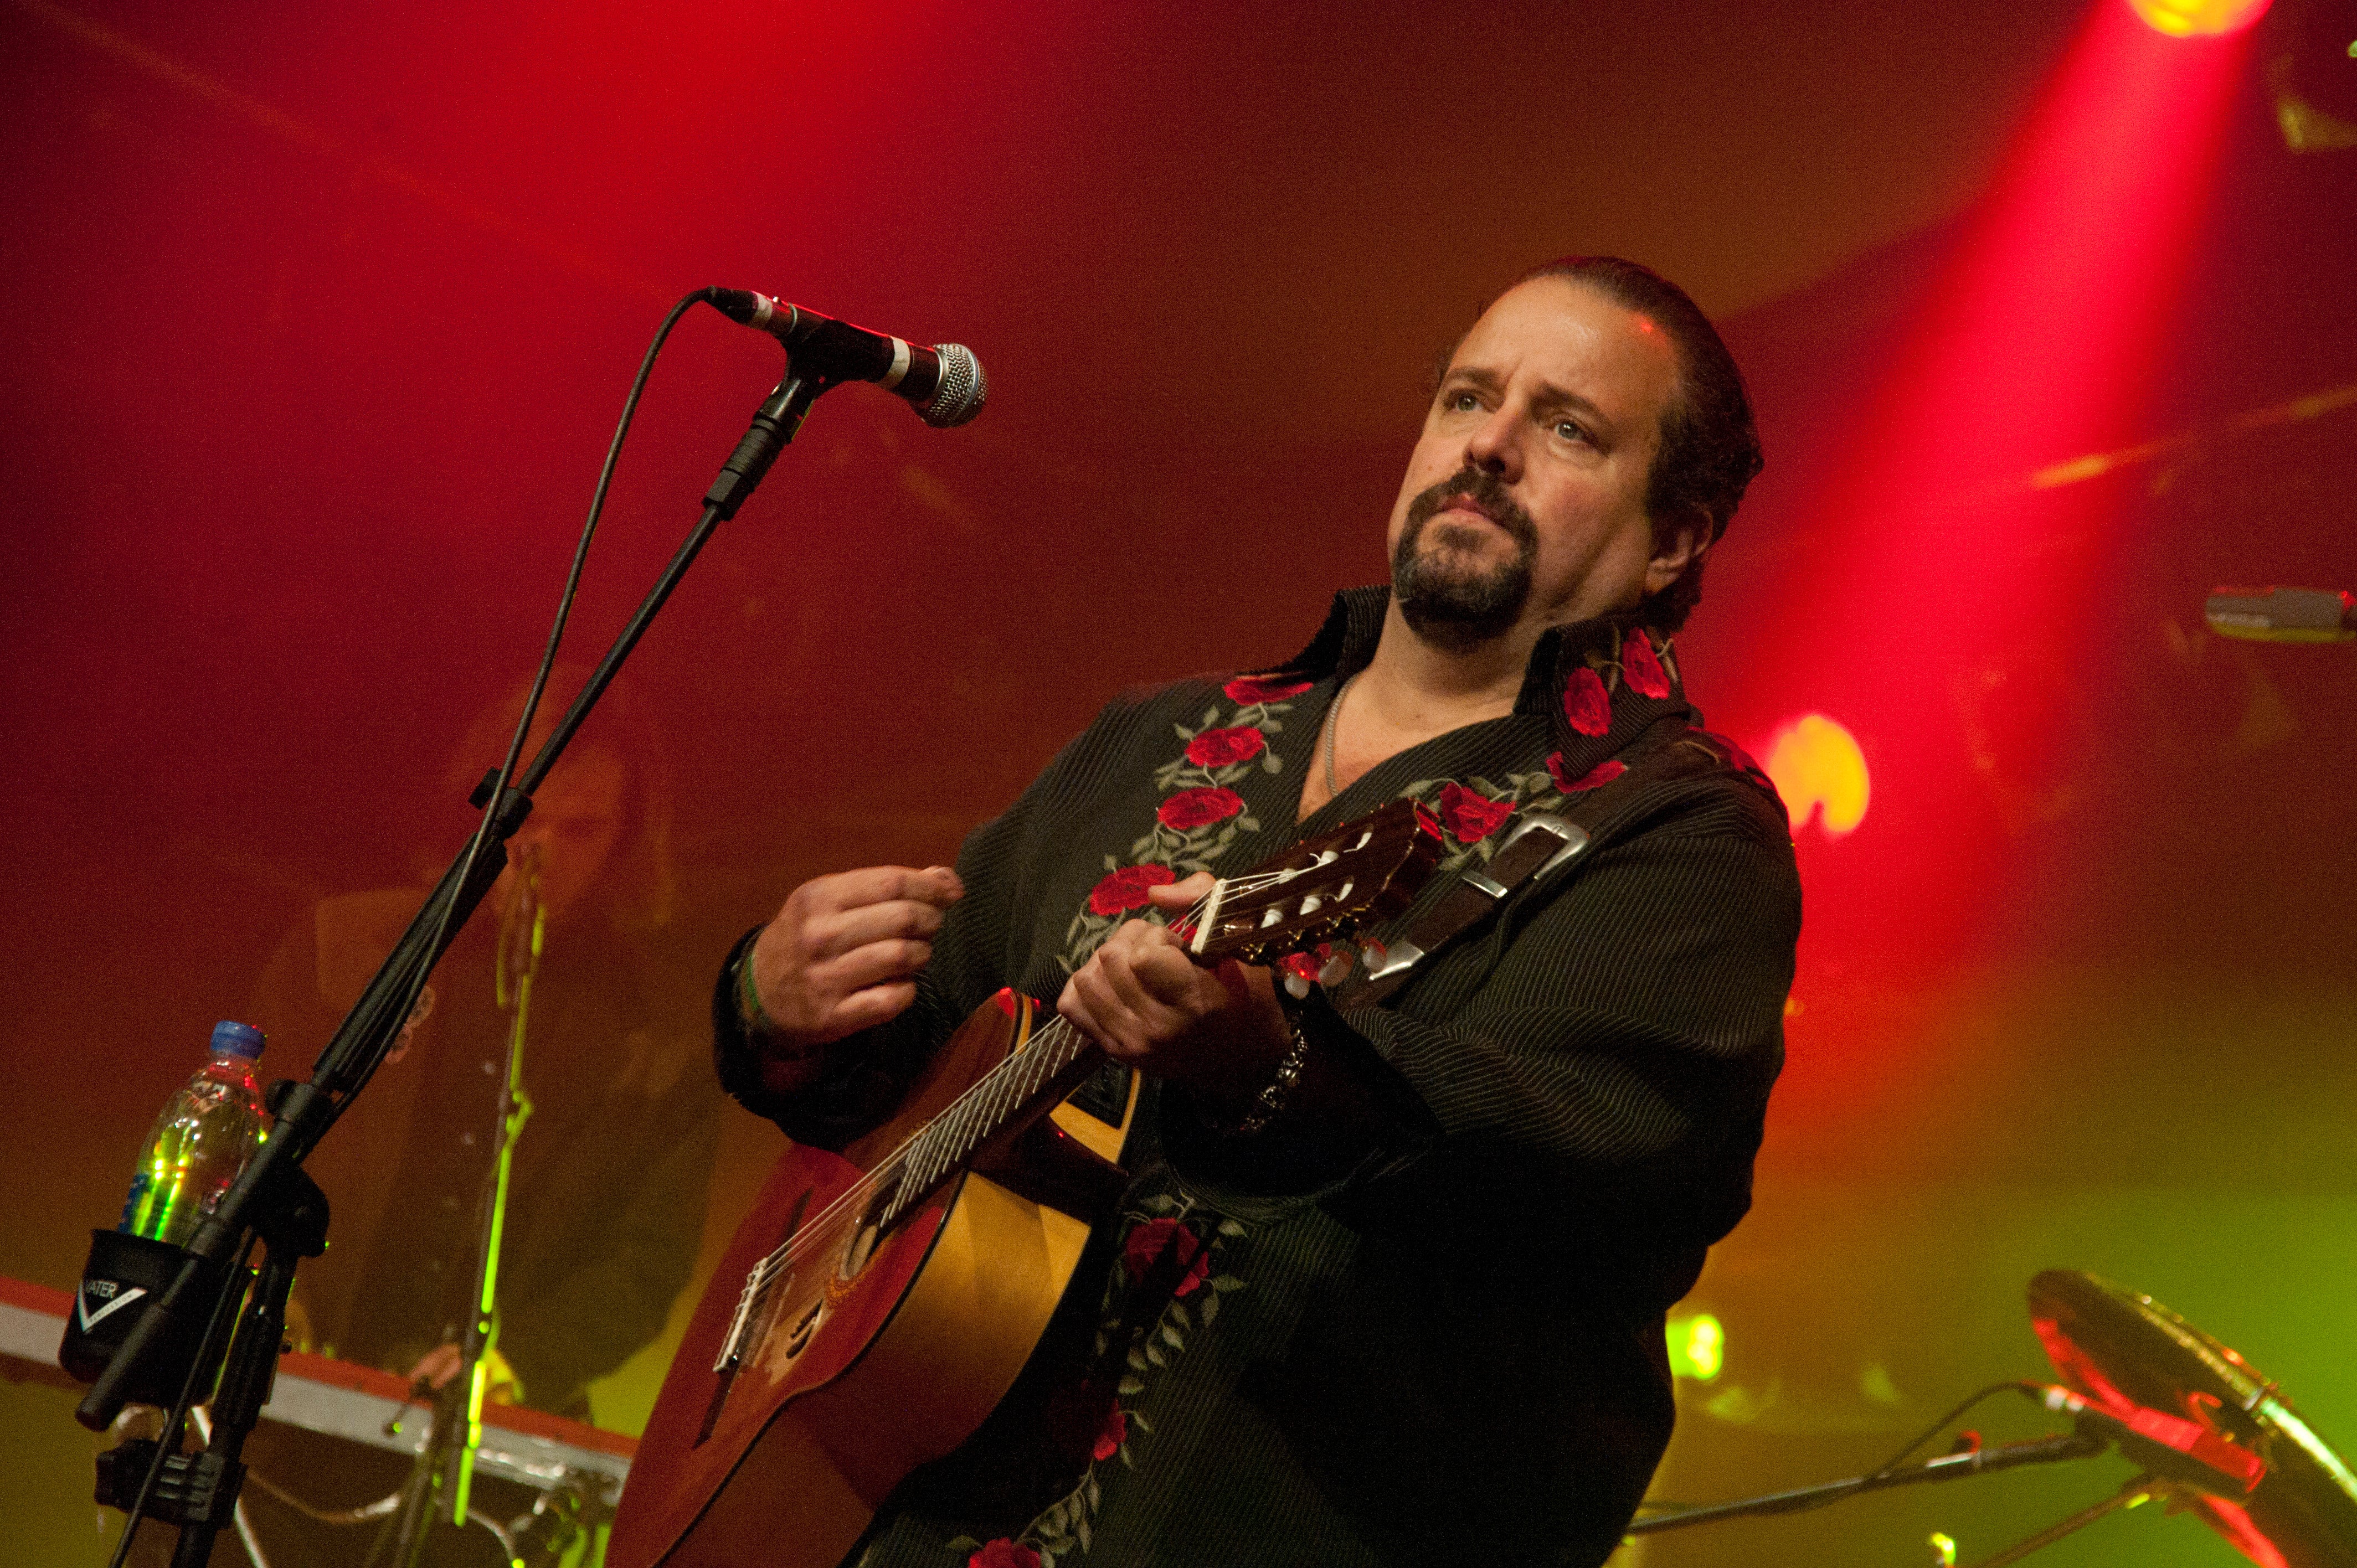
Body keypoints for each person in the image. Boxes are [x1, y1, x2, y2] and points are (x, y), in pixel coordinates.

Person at [717, 257, 1801, 1567]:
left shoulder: (1679, 831)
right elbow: (903, 1091)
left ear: (1675, 538)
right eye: (1468, 399)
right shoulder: (1159, 734)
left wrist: (1282, 1063)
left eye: (1567, 426)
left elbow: (1598, 1184)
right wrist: (775, 1005)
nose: (1491, 447)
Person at [253, 669, 722, 1423]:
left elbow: (646, 1262)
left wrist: (524, 1359)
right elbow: (241, 1139)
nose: (541, 852)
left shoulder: (663, 1032)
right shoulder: (342, 947)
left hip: (482, 1435)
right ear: (481, 804)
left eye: (583, 830)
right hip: (282, 1384)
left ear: (625, 841)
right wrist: (270, 1292)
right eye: (526, 817)